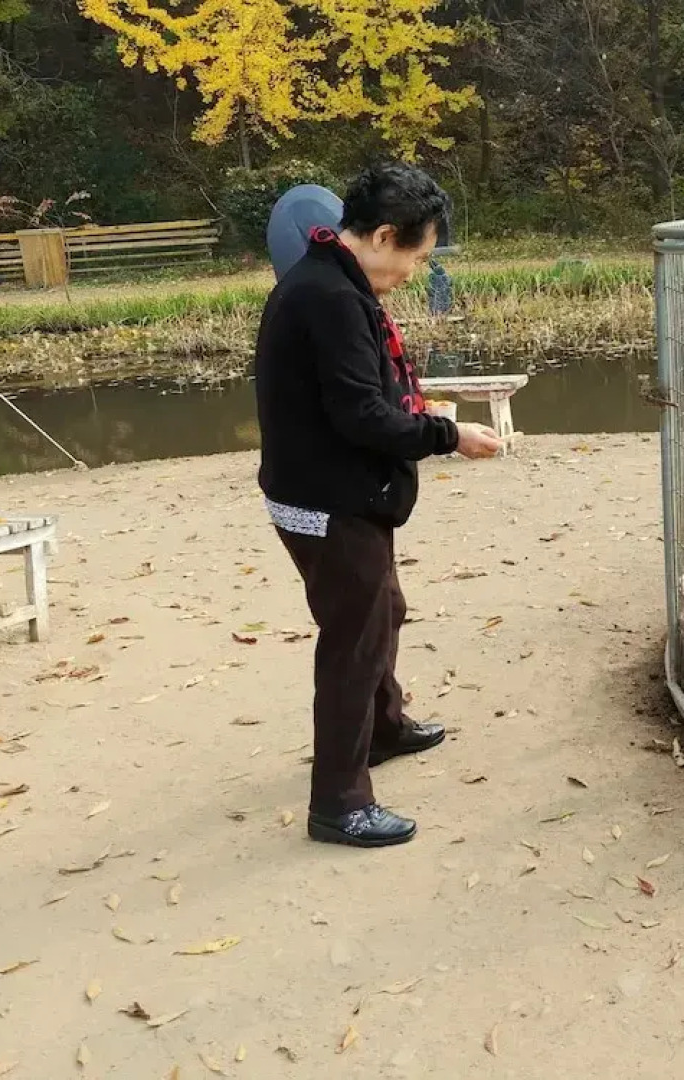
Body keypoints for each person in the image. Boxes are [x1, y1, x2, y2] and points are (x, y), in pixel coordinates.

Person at [255, 162, 503, 848]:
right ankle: (339, 800)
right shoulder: (329, 298)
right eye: (417, 255)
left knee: (381, 609)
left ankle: (385, 728)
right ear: (385, 235)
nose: (416, 271)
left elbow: (360, 398)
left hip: (337, 492)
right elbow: (361, 415)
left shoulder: (328, 279)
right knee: (354, 644)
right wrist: (448, 435)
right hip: (328, 500)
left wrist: (420, 416)